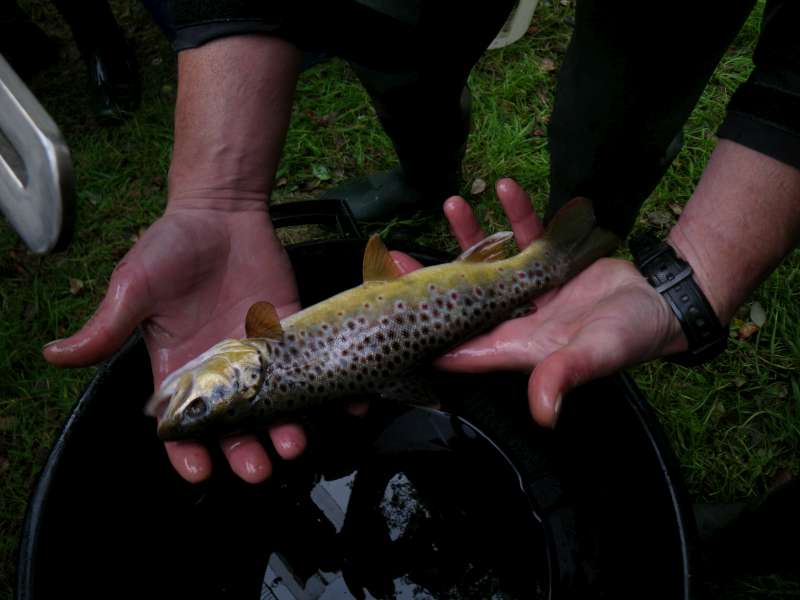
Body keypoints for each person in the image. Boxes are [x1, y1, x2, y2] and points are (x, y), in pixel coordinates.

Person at [43, 0, 800, 486]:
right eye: (206, 401)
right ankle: (455, 186)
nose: (188, 397)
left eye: (201, 400)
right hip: (421, 303)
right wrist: (216, 192)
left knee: (623, 107)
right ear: (245, 367)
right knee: (397, 50)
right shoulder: (259, 342)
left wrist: (709, 263)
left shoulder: (258, 345)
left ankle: (591, 208)